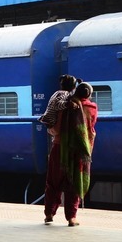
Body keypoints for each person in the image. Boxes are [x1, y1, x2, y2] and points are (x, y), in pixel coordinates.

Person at [43, 81, 98, 227]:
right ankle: (71, 218)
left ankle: (49, 214)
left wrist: (54, 132)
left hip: (59, 149)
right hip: (79, 152)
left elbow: (54, 129)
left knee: (53, 182)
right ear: (89, 95)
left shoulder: (65, 107)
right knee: (74, 183)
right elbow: (90, 130)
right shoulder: (91, 108)